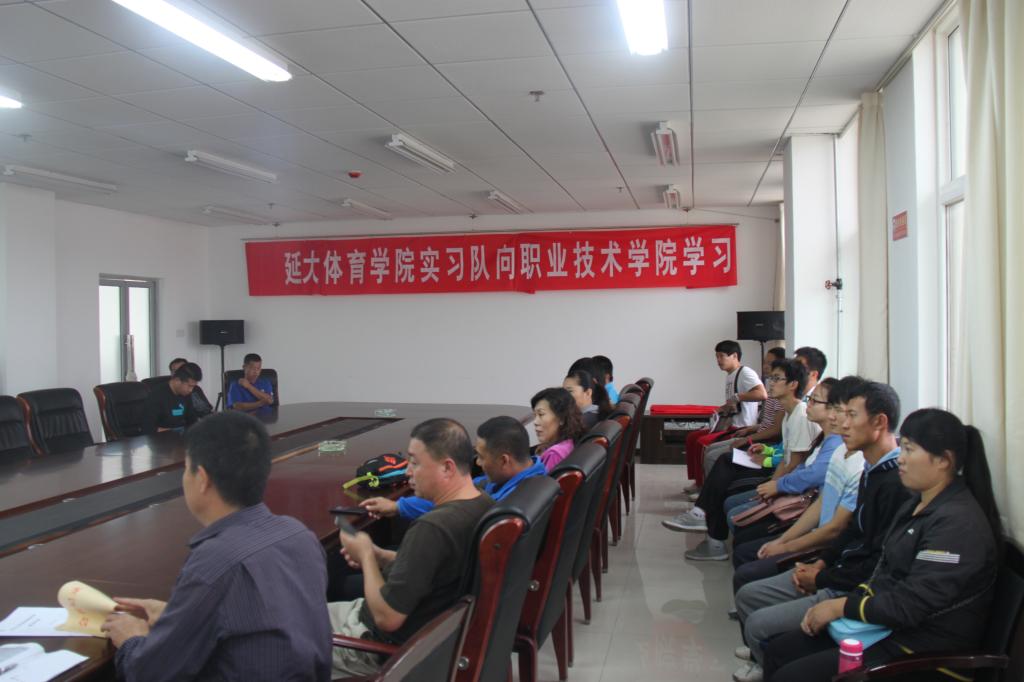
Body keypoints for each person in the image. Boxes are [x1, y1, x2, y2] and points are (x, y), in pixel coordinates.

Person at [762, 408, 1003, 682]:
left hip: (919, 654)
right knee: (780, 650)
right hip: (884, 627)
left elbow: (909, 606)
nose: (900, 458)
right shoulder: (918, 503)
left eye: (910, 450)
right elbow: (885, 570)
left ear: (943, 461)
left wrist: (839, 607)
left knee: (792, 675)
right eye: (902, 447)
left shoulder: (957, 524)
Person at [101, 411, 332, 681]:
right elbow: (255, 618)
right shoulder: (298, 534)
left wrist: (132, 638)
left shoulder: (215, 562)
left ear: (202, 479)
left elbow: (149, 673)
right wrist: (175, 616)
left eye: (186, 468)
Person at [732, 381, 911, 682]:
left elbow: (873, 559)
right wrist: (821, 563)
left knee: (759, 620)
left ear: (880, 422)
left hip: (852, 590)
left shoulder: (894, 484)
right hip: (836, 569)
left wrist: (819, 575)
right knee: (749, 587)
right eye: (839, 411)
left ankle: (766, 659)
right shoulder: (869, 466)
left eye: (850, 414)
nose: (840, 422)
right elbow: (849, 530)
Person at [327, 419, 494, 677]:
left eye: (414, 463)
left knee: (283, 633)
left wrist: (366, 556)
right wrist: (380, 555)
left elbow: (387, 618)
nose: (407, 472)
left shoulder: (433, 528)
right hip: (430, 641)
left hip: (376, 646)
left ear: (447, 467)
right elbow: (433, 570)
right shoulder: (484, 504)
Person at [666, 358, 819, 562]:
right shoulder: (790, 413)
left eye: (777, 378)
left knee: (726, 465)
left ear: (793, 384)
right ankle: (705, 524)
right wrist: (766, 451)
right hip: (780, 472)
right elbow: (786, 453)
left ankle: (704, 521)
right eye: (770, 378)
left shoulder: (800, 414)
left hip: (791, 483)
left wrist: (772, 484)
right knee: (725, 463)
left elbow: (794, 463)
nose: (770, 383)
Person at [730, 377, 857, 588]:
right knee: (736, 510)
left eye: (815, 401)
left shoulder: (840, 447)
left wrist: (777, 484)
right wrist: (769, 455)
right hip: (804, 511)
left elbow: (806, 473)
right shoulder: (832, 443)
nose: (771, 383)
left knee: (743, 543)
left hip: (806, 516)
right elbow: (790, 456)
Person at [361, 416, 546, 520]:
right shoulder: (538, 475)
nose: (478, 463)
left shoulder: (504, 506)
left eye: (482, 457)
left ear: (504, 461)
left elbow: (456, 502)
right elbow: (458, 493)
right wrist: (398, 506)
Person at [684, 341, 767, 491]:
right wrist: (721, 409)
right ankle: (698, 481)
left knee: (702, 443)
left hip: (741, 427)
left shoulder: (745, 373)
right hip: (729, 425)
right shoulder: (730, 375)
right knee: (692, 437)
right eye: (716, 357)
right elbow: (734, 402)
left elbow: (762, 394)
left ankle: (704, 487)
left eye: (721, 356)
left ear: (734, 356)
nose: (718, 360)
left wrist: (738, 397)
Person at [701, 347, 786, 480]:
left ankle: (714, 490)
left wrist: (747, 439)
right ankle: (707, 487)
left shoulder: (781, 396)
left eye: (770, 363)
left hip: (765, 441)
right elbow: (768, 423)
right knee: (709, 449)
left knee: (713, 456)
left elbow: (776, 430)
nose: (765, 366)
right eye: (765, 362)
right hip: (757, 435)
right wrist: (750, 429)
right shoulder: (772, 390)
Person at [531, 387, 585, 471]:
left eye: (541, 414)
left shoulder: (555, 454)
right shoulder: (568, 442)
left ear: (561, 418)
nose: (535, 422)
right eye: (535, 415)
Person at [142, 362, 202, 434]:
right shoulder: (156, 395)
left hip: (182, 435)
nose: (191, 390)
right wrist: (173, 432)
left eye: (193, 386)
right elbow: (148, 428)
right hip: (162, 437)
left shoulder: (186, 394)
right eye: (189, 386)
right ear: (177, 380)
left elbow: (192, 420)